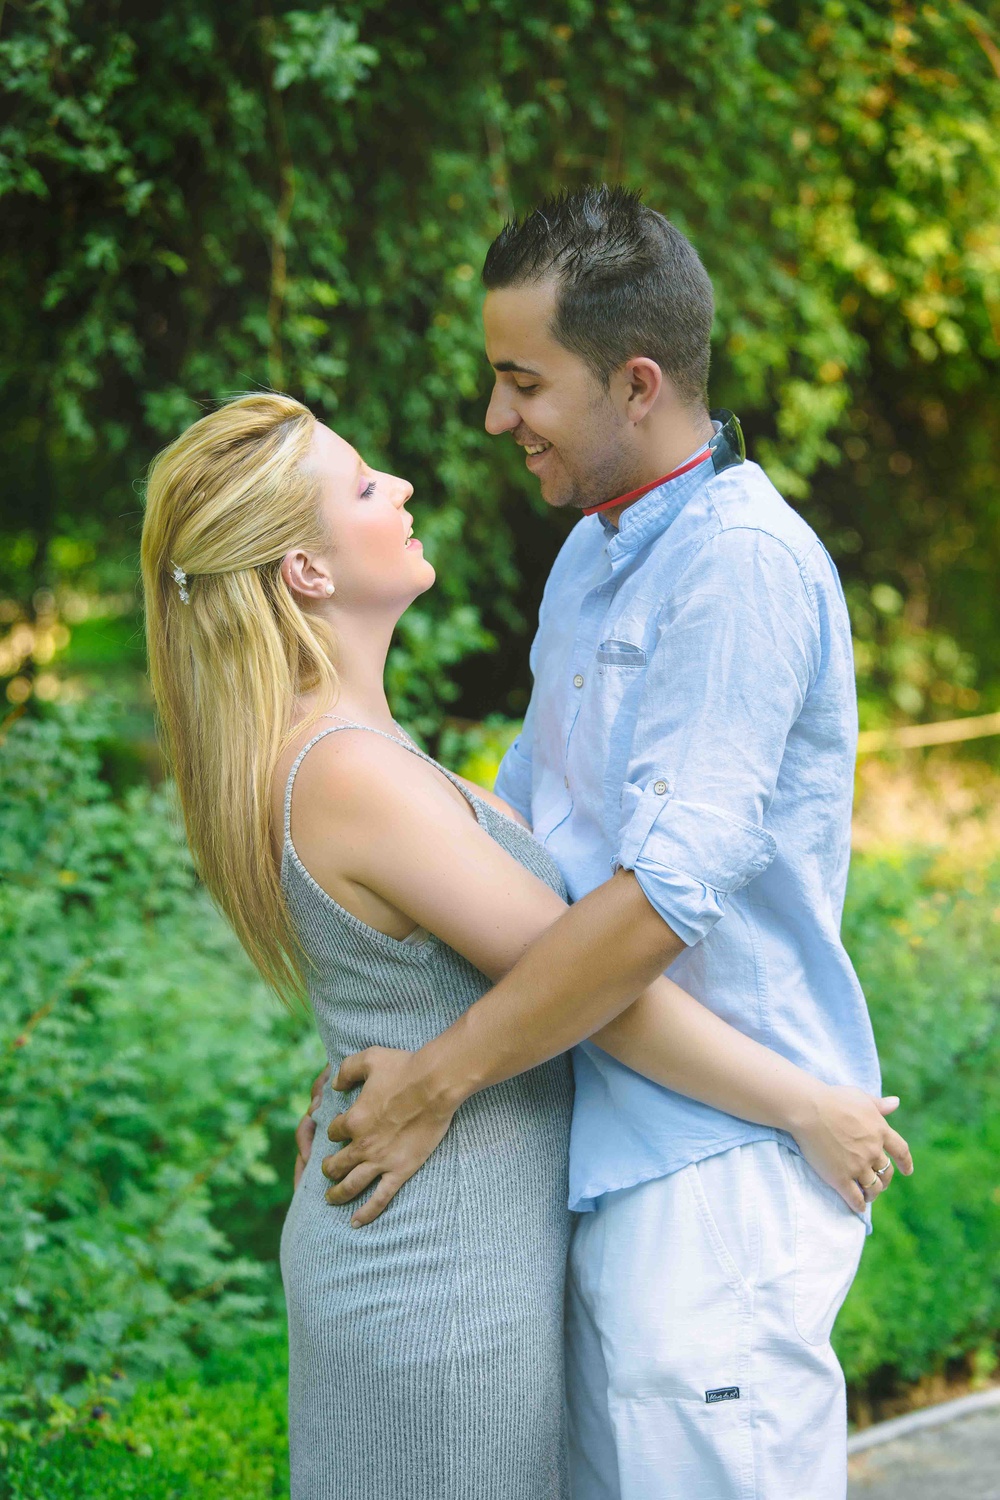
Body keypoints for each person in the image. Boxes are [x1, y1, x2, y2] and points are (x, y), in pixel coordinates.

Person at [142, 387, 904, 1500]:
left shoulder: (360, 752)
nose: (398, 487)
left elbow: (496, 975)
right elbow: (586, 979)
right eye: (361, 485)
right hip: (434, 1277)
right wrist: (802, 1100)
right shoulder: (349, 772)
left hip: (466, 1250)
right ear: (305, 573)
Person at [296, 186, 913, 1500]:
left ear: (636, 383)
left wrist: (436, 1083)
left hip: (719, 1173)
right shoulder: (591, 558)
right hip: (599, 1149)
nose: (493, 418)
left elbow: (657, 905)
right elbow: (523, 852)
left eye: (524, 383)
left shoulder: (740, 566)